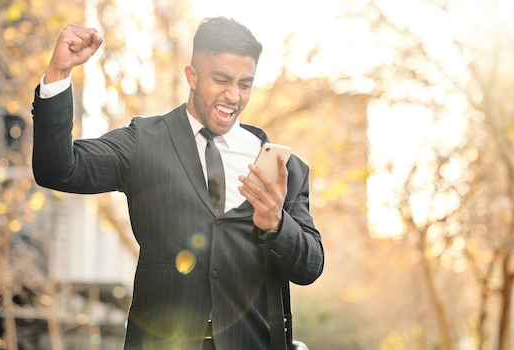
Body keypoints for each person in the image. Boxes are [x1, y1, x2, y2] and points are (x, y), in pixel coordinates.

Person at [32, 17, 324, 350]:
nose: (233, 95)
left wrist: (276, 224)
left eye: (245, 84)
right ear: (192, 76)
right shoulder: (143, 142)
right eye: (222, 80)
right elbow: (58, 169)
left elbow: (310, 266)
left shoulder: (284, 169)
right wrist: (58, 75)